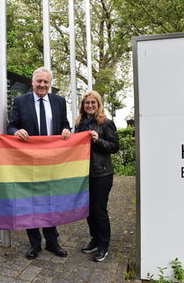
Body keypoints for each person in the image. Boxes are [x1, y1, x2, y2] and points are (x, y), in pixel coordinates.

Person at [8, 66, 71, 260]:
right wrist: (15, 132)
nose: (42, 85)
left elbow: (65, 124)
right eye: (39, 81)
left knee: (51, 201)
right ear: (32, 83)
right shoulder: (20, 101)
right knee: (31, 202)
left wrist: (67, 130)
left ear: (50, 83)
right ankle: (34, 244)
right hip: (29, 162)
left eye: (46, 81)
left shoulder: (59, 102)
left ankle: (52, 242)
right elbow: (11, 125)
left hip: (52, 161)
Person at [75, 91, 119, 262]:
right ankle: (94, 240)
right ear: (83, 105)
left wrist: (98, 139)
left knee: (99, 210)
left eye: (93, 102)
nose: (90, 105)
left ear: (98, 104)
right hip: (84, 174)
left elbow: (115, 146)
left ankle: (103, 245)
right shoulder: (79, 124)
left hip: (102, 174)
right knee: (88, 210)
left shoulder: (106, 123)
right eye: (87, 103)